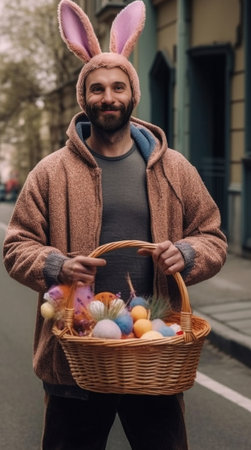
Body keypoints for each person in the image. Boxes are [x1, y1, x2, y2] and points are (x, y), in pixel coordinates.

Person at [3, 1, 227, 449]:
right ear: (84, 97)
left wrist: (184, 254)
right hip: (75, 358)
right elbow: (16, 246)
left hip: (153, 349)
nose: (108, 97)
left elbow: (212, 236)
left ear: (133, 95)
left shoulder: (174, 169)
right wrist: (57, 266)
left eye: (118, 87)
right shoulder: (51, 172)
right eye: (98, 88)